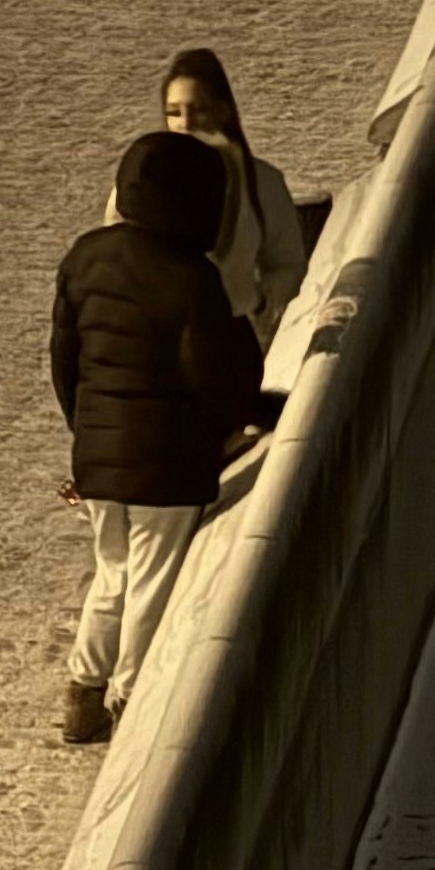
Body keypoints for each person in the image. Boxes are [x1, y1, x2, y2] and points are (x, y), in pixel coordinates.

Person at [48, 129, 262, 745]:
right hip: (167, 466)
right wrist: (234, 427)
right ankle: (130, 702)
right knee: (151, 585)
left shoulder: (83, 258)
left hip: (98, 459)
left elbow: (66, 360)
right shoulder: (192, 277)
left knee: (111, 574)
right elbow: (217, 378)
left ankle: (82, 693)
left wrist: (85, 434)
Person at [108, 47, 310, 360]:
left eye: (197, 109)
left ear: (223, 111)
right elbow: (116, 262)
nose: (185, 123)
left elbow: (289, 265)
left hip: (229, 348)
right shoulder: (138, 187)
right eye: (174, 112)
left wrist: (257, 301)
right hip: (159, 351)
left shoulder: (263, 183)